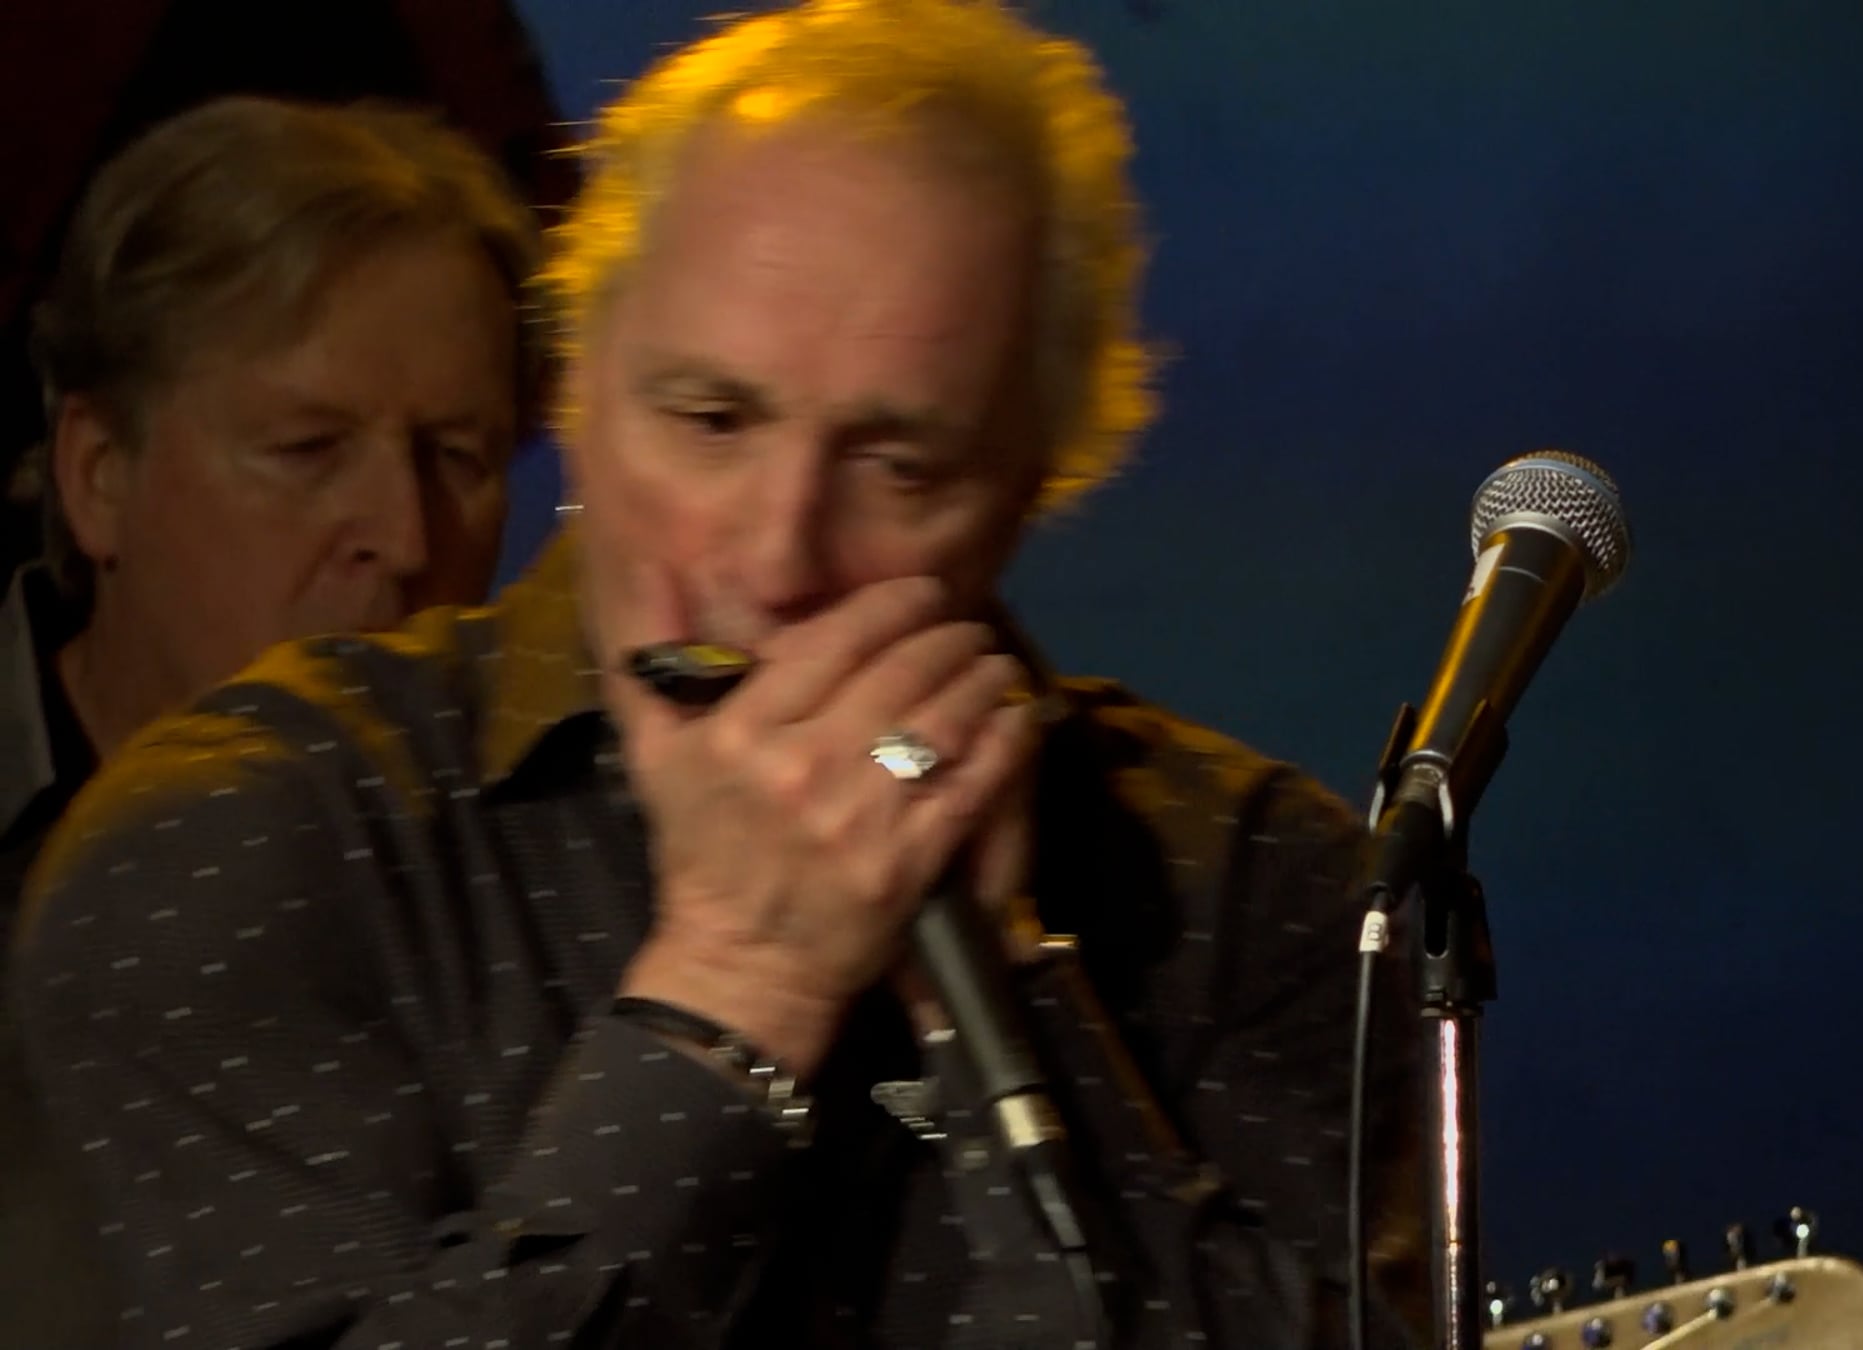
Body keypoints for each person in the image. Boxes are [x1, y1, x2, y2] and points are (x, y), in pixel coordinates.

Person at [13, 4, 1424, 1348]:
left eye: (898, 465)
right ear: (578, 391)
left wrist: (1004, 981)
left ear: (1033, 481)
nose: (776, 554)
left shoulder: (1250, 880)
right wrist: (742, 984)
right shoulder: (249, 838)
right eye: (710, 418)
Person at [1, 96, 540, 1346]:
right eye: (308, 450)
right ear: (99, 476)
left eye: (458, 457)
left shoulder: (560, 873)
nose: (404, 540)